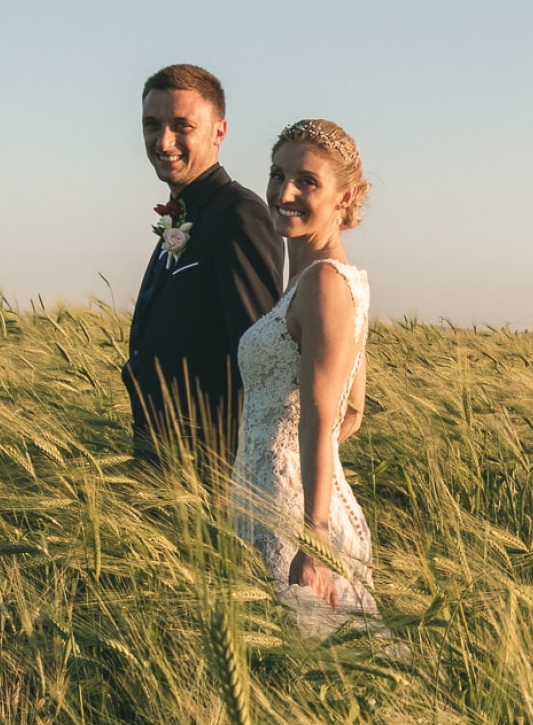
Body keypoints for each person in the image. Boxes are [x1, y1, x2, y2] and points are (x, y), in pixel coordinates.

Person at [230, 119, 380, 633]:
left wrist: (313, 539)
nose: (283, 192)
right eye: (277, 175)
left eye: (307, 182)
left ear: (346, 197)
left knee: (311, 670)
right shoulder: (338, 281)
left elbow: (322, 415)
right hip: (277, 498)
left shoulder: (322, 285)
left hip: (295, 520)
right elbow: (353, 410)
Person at [123, 65, 285, 477]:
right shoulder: (184, 216)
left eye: (182, 126)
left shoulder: (238, 214)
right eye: (152, 125)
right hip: (160, 464)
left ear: (219, 131)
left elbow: (258, 353)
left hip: (208, 470)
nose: (164, 141)